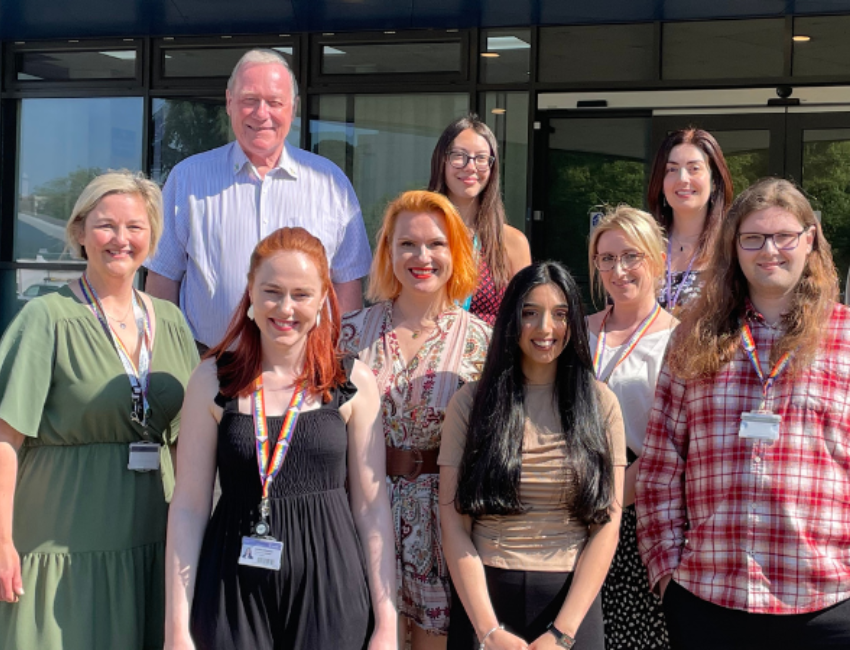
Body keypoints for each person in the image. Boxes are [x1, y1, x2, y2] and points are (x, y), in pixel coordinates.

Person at [636, 178, 850, 649]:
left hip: (826, 607)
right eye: (752, 238)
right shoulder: (692, 338)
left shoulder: (847, 339)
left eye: (784, 237)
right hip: (708, 601)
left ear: (809, 239)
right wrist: (668, 577)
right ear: (735, 247)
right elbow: (659, 469)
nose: (768, 250)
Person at [164, 227, 396, 650]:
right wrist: (176, 629)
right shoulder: (212, 380)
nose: (285, 308)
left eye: (302, 294)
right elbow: (188, 507)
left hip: (331, 582)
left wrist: (387, 623)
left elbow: (372, 507)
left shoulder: (352, 381)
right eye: (272, 291)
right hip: (229, 586)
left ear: (324, 297)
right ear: (250, 292)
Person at [0, 171, 199, 649]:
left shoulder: (170, 320)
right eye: (106, 225)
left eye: (135, 226)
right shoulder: (46, 317)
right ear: (79, 232)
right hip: (61, 541)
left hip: (154, 537)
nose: (120, 239)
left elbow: (190, 437)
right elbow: (5, 439)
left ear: (151, 237)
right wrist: (1, 540)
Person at [440, 261, 626, 650]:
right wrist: (488, 632)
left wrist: (562, 634)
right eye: (530, 314)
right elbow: (454, 524)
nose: (546, 329)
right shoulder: (470, 404)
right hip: (487, 602)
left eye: (560, 315)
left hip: (570, 608)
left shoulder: (600, 403)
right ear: (511, 322)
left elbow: (608, 524)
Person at [340, 190, 491, 649]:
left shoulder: (485, 342)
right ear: (387, 251)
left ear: (457, 252)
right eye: (407, 244)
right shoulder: (349, 333)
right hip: (360, 513)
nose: (421, 257)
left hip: (445, 522)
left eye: (436, 244)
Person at [146, 48, 371, 350]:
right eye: (249, 100)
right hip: (210, 366)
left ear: (294, 107)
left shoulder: (331, 183)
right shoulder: (187, 178)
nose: (261, 113)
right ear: (229, 102)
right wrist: (168, 357)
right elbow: (163, 278)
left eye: (274, 102)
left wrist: (335, 356)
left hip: (305, 369)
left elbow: (347, 281)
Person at [585, 206, 677, 650]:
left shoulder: (678, 340)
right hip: (570, 506)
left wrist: (612, 500)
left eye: (630, 256)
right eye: (606, 258)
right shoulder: (576, 333)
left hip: (638, 513)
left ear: (657, 258)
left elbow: (672, 442)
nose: (617, 270)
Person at [428, 114, 531, 325]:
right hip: (424, 354)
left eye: (482, 158)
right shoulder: (416, 234)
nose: (471, 167)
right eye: (459, 155)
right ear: (442, 159)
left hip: (488, 357)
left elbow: (525, 317)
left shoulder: (512, 242)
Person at [646, 128, 733, 314]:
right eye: (672, 169)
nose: (683, 179)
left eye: (694, 169)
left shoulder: (732, 246)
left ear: (715, 180)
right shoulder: (642, 245)